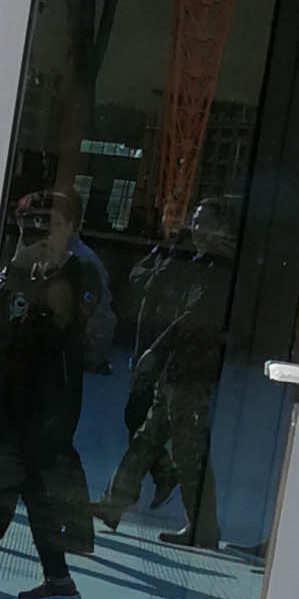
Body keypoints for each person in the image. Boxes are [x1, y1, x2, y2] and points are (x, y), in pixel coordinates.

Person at [0, 186, 106, 599]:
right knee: (33, 486)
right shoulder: (17, 270)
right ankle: (58, 577)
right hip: (9, 395)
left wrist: (44, 272)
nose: (39, 234)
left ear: (70, 228)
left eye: (49, 225)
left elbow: (63, 322)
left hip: (48, 402)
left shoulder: (81, 272)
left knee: (7, 477)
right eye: (30, 225)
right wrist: (17, 265)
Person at [95, 196, 234, 544]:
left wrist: (156, 352)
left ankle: (203, 528)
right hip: (176, 370)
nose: (197, 228)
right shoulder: (190, 258)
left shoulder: (218, 268)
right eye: (196, 220)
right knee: (147, 438)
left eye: (205, 222)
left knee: (188, 450)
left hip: (192, 371)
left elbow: (192, 318)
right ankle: (114, 503)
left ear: (221, 228)